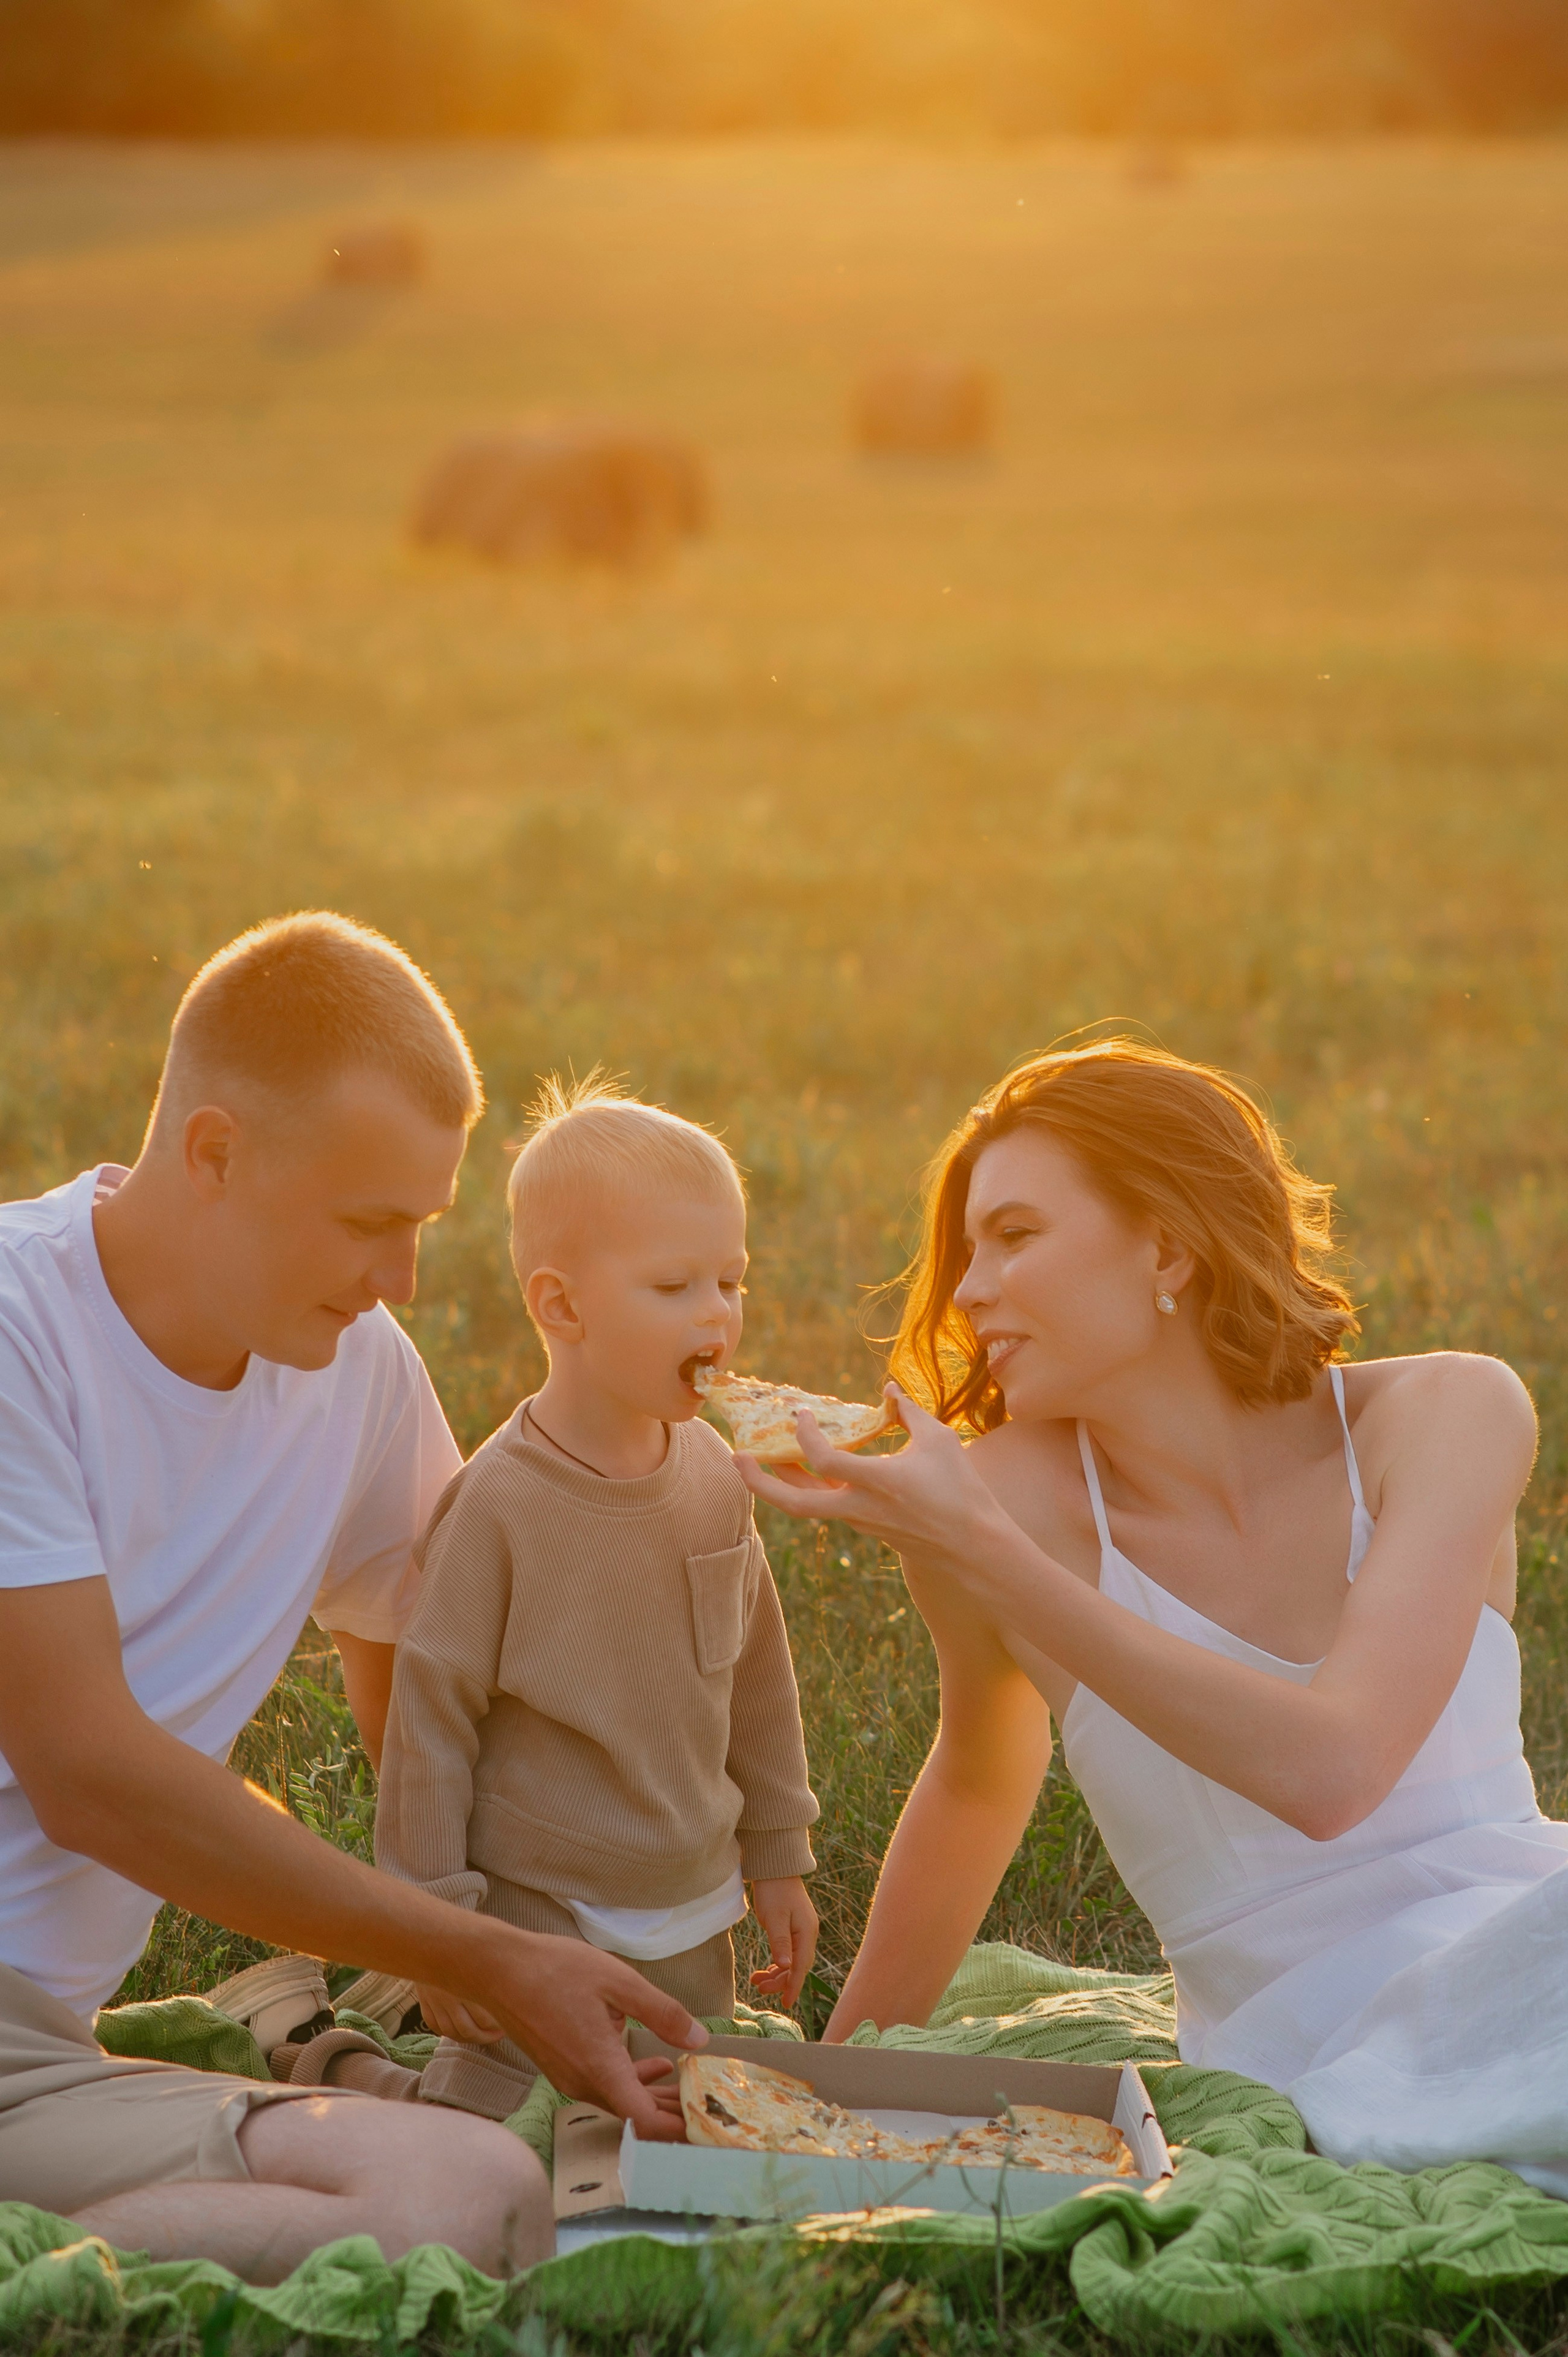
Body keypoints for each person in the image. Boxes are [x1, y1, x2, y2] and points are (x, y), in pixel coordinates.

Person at [0, 914, 706, 2285]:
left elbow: (442, 1671)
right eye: (369, 1223)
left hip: (36, 2050)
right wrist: (479, 1953)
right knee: (463, 2202)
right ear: (215, 1153)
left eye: (421, 1226)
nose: (403, 1282)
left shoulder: (357, 1371)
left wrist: (504, 1932)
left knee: (477, 2187)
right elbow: (90, 1774)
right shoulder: (19, 1333)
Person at [741, 1040, 1568, 2196]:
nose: (969, 1289)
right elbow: (977, 1781)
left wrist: (985, 1552)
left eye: (1016, 1235)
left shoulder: (1448, 1412)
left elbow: (1335, 1770)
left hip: (1530, 1940)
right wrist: (834, 2086)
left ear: (1169, 1247)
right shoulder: (997, 1505)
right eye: (969, 1249)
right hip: (1325, 2032)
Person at [375, 1076, 820, 2119]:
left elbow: (757, 1676)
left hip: (689, 1906)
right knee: (491, 2135)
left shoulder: (716, 1475)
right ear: (562, 1306)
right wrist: (437, 1926)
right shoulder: (500, 1506)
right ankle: (347, 2072)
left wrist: (777, 1855)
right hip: (541, 1913)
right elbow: (430, 1720)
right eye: (674, 1286)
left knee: (679, 2133)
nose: (717, 1313)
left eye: (731, 1280)